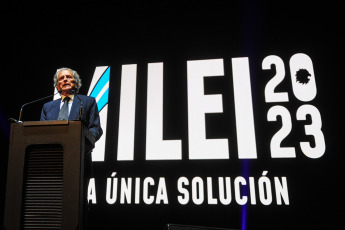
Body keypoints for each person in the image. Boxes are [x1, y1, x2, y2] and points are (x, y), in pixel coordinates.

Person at [40, 67, 103, 141]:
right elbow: (42, 131)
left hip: (79, 149)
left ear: (76, 84)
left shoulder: (88, 102)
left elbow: (95, 128)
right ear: (57, 86)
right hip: (52, 150)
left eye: (69, 77)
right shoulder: (47, 107)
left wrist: (83, 143)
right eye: (61, 78)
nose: (65, 79)